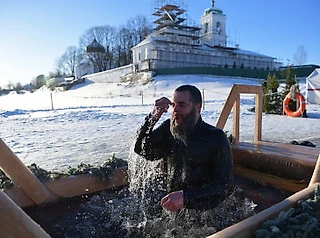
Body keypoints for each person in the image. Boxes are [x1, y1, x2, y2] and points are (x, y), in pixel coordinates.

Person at [134, 85, 234, 212]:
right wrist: (152, 117)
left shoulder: (215, 138)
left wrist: (185, 197)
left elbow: (225, 185)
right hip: (172, 208)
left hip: (204, 212)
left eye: (181, 105)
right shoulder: (169, 130)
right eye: (173, 105)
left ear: (197, 107)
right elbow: (141, 149)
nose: (175, 110)